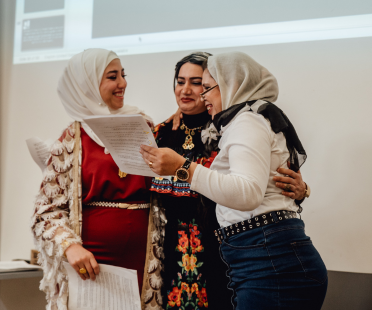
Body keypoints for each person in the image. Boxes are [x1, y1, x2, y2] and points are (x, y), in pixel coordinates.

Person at [140, 51, 327, 310]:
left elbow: (248, 192)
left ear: (230, 85)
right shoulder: (230, 122)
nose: (198, 94)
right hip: (245, 250)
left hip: (261, 253)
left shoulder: (246, 121)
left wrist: (182, 168)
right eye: (181, 81)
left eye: (203, 86)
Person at [31, 48, 165, 310]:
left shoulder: (144, 126)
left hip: (144, 262)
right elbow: (44, 214)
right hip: (91, 264)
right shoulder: (71, 140)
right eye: (112, 76)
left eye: (123, 75)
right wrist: (70, 247)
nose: (122, 83)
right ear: (88, 84)